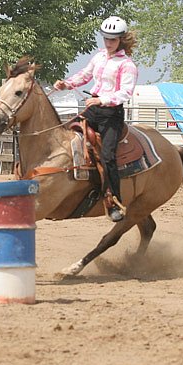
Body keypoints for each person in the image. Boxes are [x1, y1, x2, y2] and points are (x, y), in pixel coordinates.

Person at [53, 16, 138, 222]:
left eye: (113, 39)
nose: (108, 43)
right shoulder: (99, 56)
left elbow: (125, 93)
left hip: (111, 114)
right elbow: (85, 74)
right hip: (93, 109)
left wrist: (101, 100)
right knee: (65, 132)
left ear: (121, 40)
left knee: (108, 155)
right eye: (106, 38)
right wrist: (67, 83)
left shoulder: (127, 65)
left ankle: (114, 200)